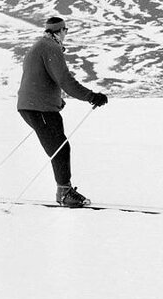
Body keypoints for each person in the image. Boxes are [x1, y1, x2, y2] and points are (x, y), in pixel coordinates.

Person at [16, 16, 108, 207]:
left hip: (36, 106)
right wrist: (91, 96)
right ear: (60, 31)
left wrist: (57, 101)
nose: (66, 34)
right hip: (39, 107)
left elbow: (42, 78)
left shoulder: (41, 45)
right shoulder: (50, 47)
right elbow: (65, 80)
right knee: (60, 148)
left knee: (60, 146)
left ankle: (64, 192)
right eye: (66, 30)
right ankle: (65, 194)